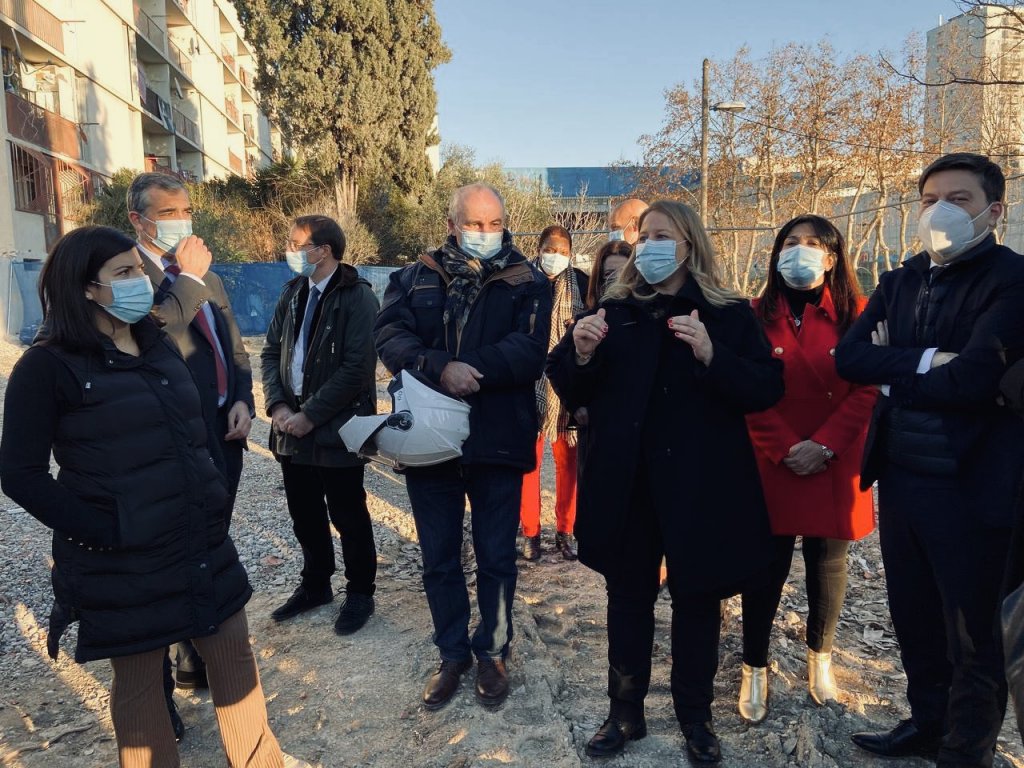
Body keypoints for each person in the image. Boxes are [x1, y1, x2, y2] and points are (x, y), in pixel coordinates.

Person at [0, 226, 308, 768]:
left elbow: (192, 428)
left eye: (137, 270)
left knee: (235, 659)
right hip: (126, 558)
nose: (139, 280)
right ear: (86, 287)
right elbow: (20, 476)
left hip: (199, 537)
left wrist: (209, 489)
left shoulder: (156, 342)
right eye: (123, 273)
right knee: (141, 684)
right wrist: (104, 530)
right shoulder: (48, 367)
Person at [546, 200, 783, 763]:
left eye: (662, 234)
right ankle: (624, 712)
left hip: (701, 484)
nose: (649, 244)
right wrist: (581, 357)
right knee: (627, 597)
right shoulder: (617, 309)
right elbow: (571, 386)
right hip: (627, 483)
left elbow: (766, 388)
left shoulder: (726, 314)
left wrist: (711, 355)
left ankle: (694, 718)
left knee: (698, 598)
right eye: (644, 233)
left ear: (690, 243)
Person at [836, 152, 1024, 768]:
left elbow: (975, 379)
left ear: (994, 210)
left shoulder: (1011, 281)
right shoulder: (901, 279)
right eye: (929, 198)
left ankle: (966, 751)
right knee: (913, 615)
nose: (939, 210)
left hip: (974, 483)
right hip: (903, 475)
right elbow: (850, 359)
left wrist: (899, 368)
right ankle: (928, 721)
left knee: (973, 631)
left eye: (959, 198)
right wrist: (925, 362)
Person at [374, 182, 552, 712]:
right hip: (429, 438)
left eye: (493, 223)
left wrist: (470, 371)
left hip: (497, 436)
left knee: (498, 556)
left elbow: (528, 350)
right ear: (452, 224)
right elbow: (389, 336)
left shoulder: (529, 281)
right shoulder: (413, 278)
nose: (484, 233)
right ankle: (452, 653)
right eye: (473, 224)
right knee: (439, 557)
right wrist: (436, 367)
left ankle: (492, 653)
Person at [738, 215, 877, 723]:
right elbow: (744, 388)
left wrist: (826, 444)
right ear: (776, 255)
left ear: (834, 256)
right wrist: (783, 445)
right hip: (772, 455)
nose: (800, 252)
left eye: (813, 244)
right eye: (790, 243)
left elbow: (868, 387)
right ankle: (754, 664)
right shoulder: (753, 315)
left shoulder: (859, 313)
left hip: (834, 458)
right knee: (764, 567)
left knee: (828, 566)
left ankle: (821, 659)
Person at [126, 172, 254, 716]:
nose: (182, 221)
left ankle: (194, 653)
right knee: (162, 561)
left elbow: (235, 349)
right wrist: (189, 281)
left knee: (208, 547)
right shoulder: (129, 277)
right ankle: (155, 692)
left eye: (186, 209)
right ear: (138, 220)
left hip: (223, 436)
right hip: (170, 446)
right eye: (169, 211)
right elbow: (148, 336)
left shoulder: (209, 279)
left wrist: (243, 398)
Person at [261, 215, 380, 636]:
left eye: (297, 244)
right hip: (290, 428)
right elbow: (271, 352)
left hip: (337, 428)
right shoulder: (293, 293)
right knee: (305, 513)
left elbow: (357, 369)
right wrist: (277, 406)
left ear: (323, 250)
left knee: (348, 513)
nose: (290, 251)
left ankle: (361, 592)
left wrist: (309, 414)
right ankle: (315, 585)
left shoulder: (358, 298)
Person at [520, 224, 588, 562]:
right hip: (528, 383)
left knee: (568, 462)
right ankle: (530, 533)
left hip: (567, 385)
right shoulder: (521, 281)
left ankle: (566, 531)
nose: (555, 256)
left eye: (562, 251)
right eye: (550, 248)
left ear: (570, 253)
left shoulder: (584, 285)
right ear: (539, 246)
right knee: (528, 461)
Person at [585, 239, 633, 310]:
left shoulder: (648, 315)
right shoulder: (590, 318)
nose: (617, 277)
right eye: (609, 274)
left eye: (624, 272)